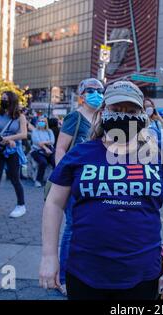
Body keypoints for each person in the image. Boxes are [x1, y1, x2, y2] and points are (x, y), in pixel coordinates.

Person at [39, 81, 163, 300]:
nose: (124, 116)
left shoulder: (160, 155)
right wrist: (49, 255)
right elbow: (53, 202)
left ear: (143, 116)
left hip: (142, 273)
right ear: (103, 112)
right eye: (116, 110)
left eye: (131, 111)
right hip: (84, 272)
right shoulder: (80, 154)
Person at [55, 78, 104, 295]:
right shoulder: (75, 117)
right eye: (90, 90)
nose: (95, 93)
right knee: (72, 227)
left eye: (99, 90)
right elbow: (61, 149)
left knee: (91, 227)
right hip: (74, 183)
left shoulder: (102, 117)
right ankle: (64, 278)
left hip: (95, 183)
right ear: (82, 95)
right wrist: (62, 180)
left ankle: (88, 272)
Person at [0, 91, 28, 221]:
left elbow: (24, 134)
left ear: (12, 100)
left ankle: (21, 205)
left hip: (13, 151)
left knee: (15, 179)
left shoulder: (20, 116)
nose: (3, 101)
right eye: (2, 98)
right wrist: (3, 140)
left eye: (6, 99)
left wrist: (9, 138)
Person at [31, 118, 55, 187]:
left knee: (55, 162)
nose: (41, 122)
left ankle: (54, 180)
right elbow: (37, 142)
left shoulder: (49, 131)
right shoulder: (35, 131)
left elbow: (52, 141)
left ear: (46, 123)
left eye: (43, 121)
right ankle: (38, 180)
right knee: (43, 162)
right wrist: (46, 145)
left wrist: (44, 142)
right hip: (37, 151)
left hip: (50, 150)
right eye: (40, 121)